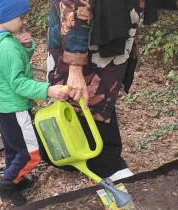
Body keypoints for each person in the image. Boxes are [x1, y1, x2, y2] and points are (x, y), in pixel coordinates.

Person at [0, 0, 67, 206]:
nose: (24, 21)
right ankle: (6, 185)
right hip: (15, 106)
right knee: (31, 153)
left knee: (13, 147)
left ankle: (16, 179)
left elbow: (11, 69)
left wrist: (27, 47)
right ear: (6, 16)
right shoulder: (7, 48)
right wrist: (48, 90)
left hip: (2, 106)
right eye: (21, 17)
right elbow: (19, 83)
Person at [45, 0, 144, 180]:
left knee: (102, 93)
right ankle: (102, 162)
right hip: (80, 34)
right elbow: (74, 6)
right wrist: (75, 66)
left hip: (110, 27)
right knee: (80, 94)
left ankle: (92, 156)